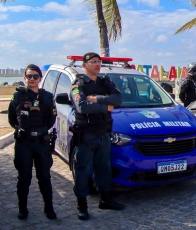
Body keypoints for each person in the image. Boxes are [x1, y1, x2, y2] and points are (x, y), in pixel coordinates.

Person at [70, 52, 123, 221]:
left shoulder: (105, 81)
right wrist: (105, 107)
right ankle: (82, 205)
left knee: (103, 168)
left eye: (99, 61)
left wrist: (97, 99)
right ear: (84, 65)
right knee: (82, 170)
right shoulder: (78, 84)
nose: (97, 64)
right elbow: (81, 107)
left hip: (104, 133)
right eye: (93, 62)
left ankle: (105, 199)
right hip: (86, 135)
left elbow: (118, 99)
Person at [8, 64, 57, 220]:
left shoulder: (48, 97)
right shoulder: (18, 97)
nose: (32, 79)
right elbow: (11, 119)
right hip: (24, 143)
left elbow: (51, 119)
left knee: (44, 177)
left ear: (40, 78)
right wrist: (23, 129)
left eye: (35, 76)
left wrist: (40, 131)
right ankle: (23, 209)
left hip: (41, 143)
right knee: (24, 178)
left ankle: (49, 208)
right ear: (25, 78)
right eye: (29, 76)